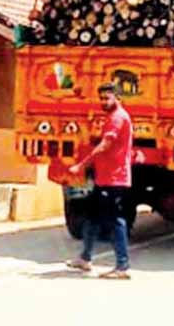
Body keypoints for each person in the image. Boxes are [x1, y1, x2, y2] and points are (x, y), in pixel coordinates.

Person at [66, 82, 134, 279]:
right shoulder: (113, 117)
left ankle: (122, 266)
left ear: (118, 99)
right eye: (102, 98)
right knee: (92, 217)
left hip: (115, 179)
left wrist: (81, 165)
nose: (103, 102)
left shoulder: (117, 118)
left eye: (107, 98)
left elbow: (105, 145)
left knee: (115, 221)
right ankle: (85, 258)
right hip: (105, 177)